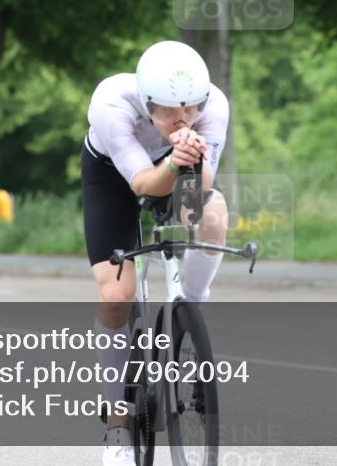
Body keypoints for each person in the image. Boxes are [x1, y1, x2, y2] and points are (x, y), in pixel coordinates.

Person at [81, 40, 230, 466]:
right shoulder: (112, 103)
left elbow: (199, 188)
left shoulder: (214, 106)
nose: (183, 119)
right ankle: (117, 425)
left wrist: (192, 162)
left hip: (174, 164)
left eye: (191, 109)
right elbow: (144, 184)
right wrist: (175, 161)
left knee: (214, 216)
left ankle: (189, 317)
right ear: (147, 104)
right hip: (114, 174)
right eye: (168, 111)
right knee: (116, 295)